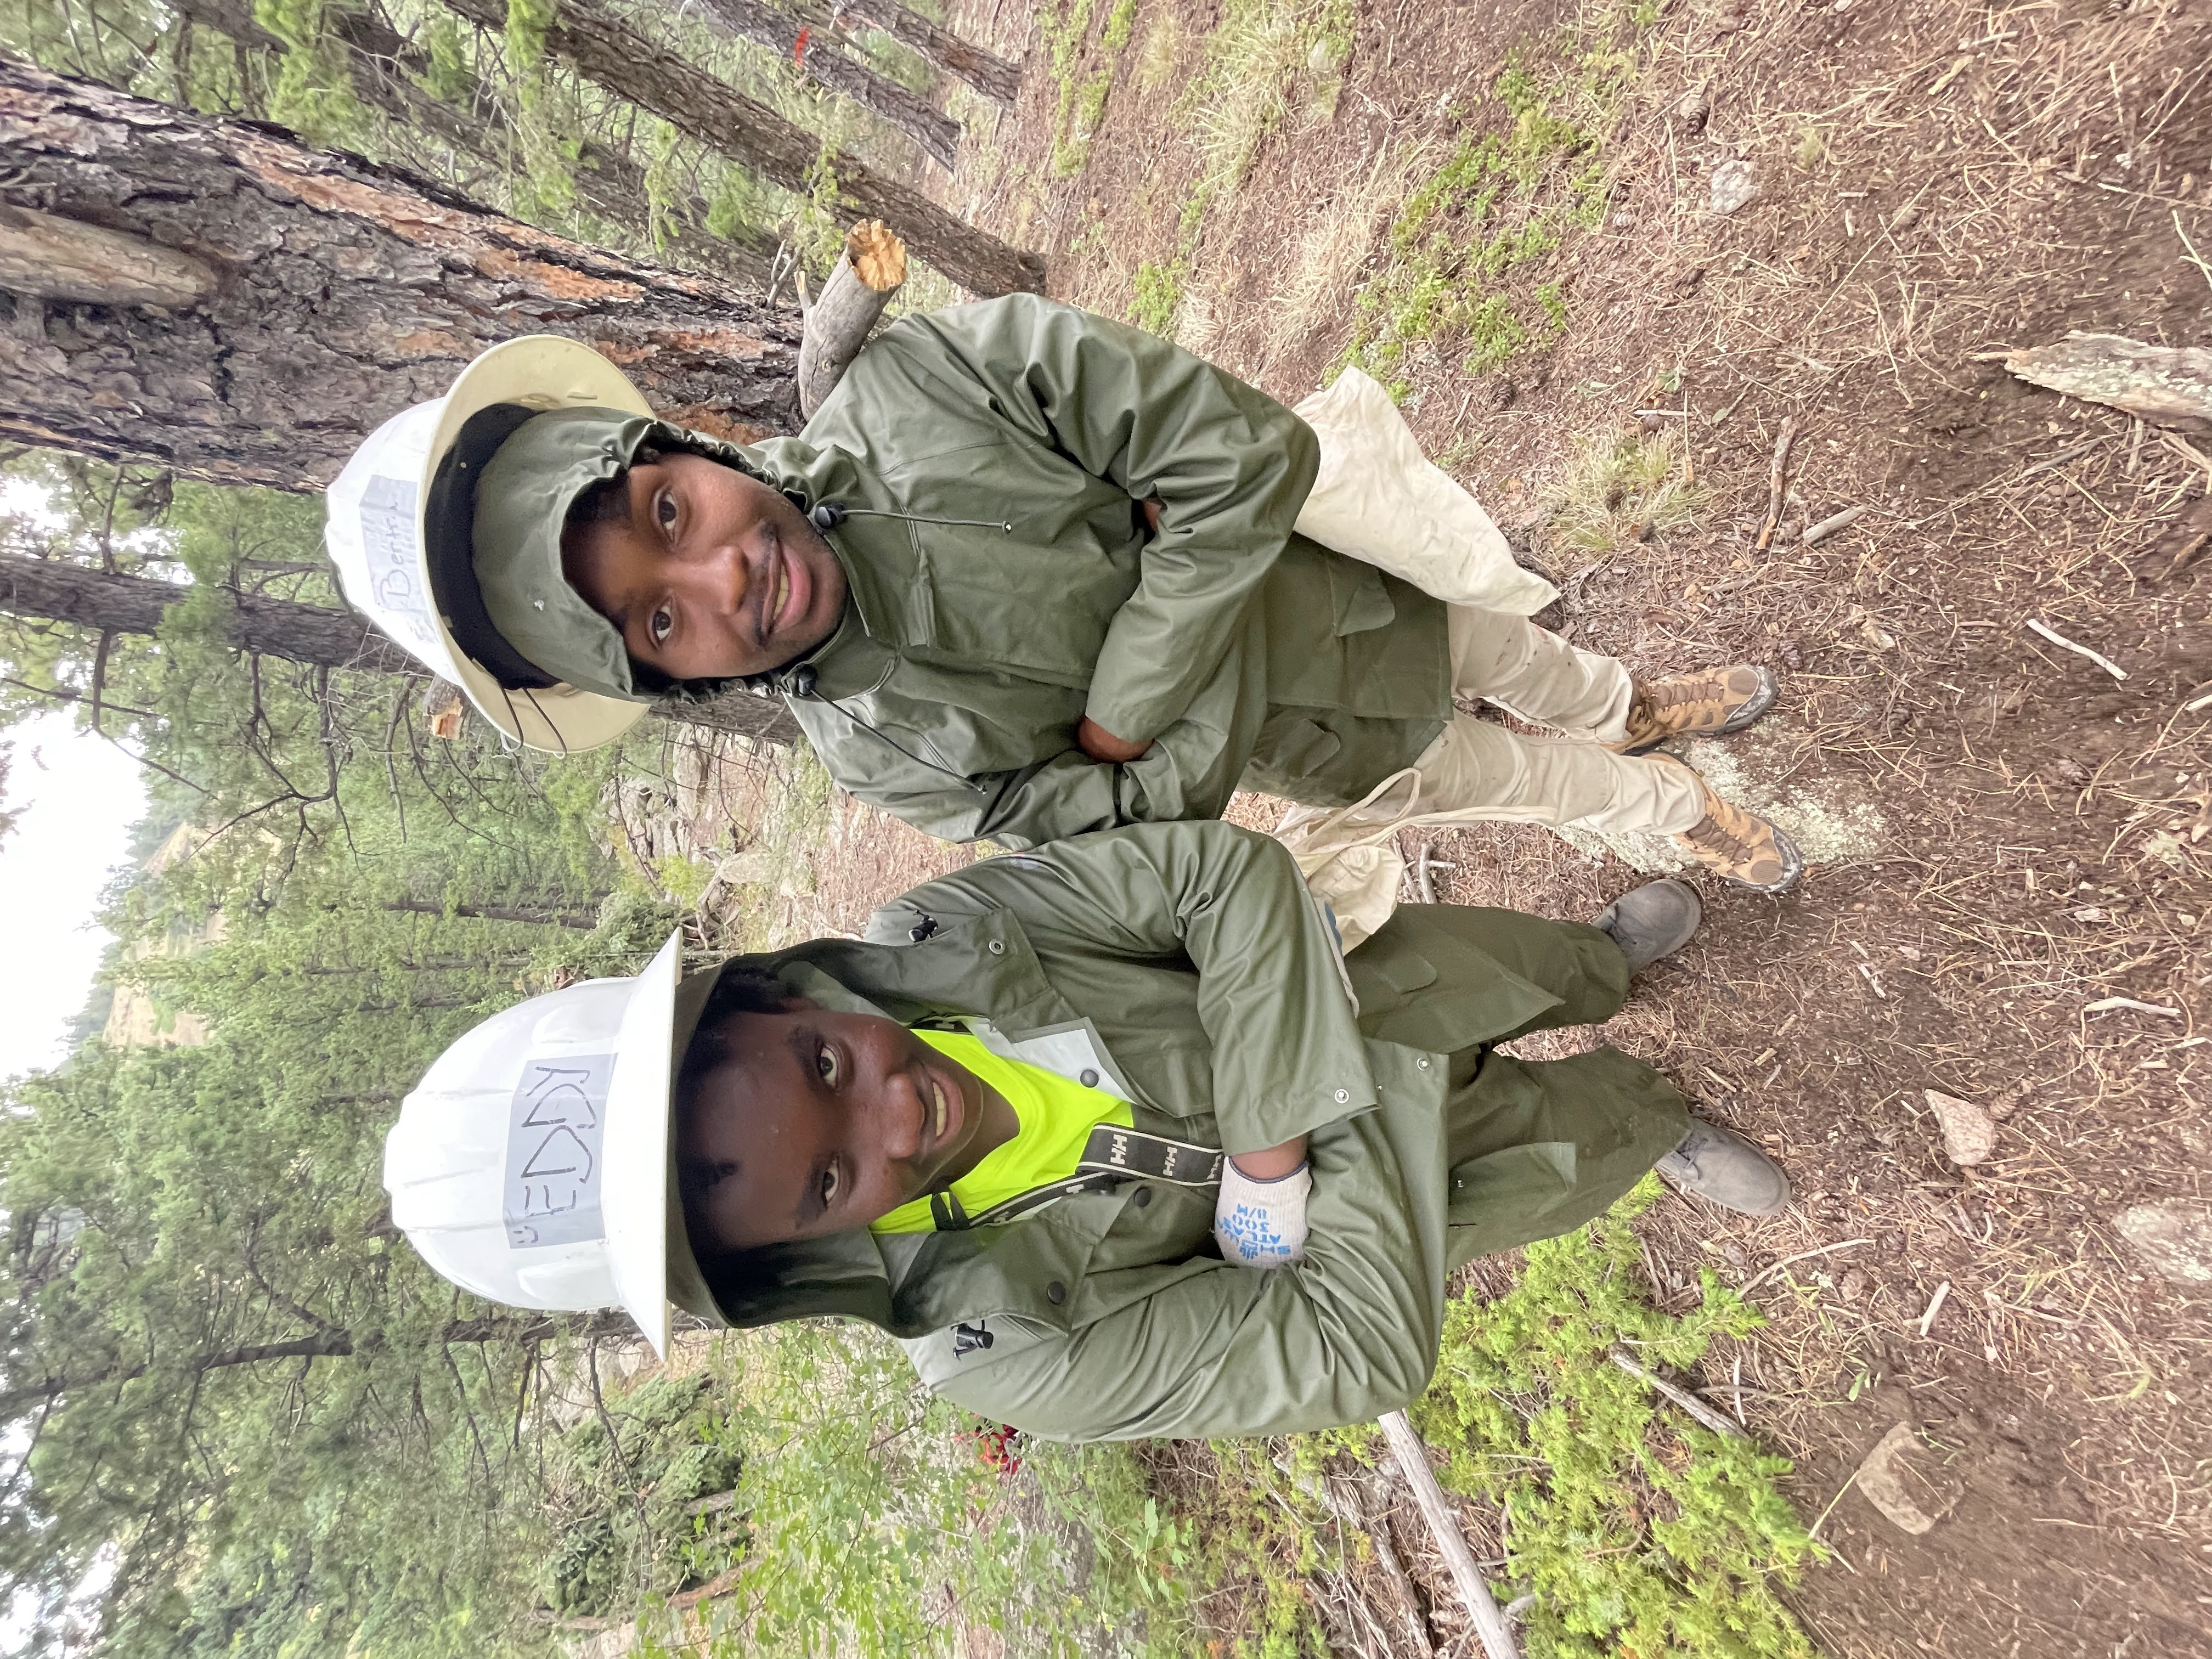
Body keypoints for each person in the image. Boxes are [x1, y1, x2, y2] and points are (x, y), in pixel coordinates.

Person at [326, 300, 1801, 894]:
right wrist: (1170, 551)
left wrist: (1121, 709)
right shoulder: (875, 744)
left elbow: (1250, 455)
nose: (719, 570)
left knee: (1527, 662)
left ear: (677, 450)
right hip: (1333, 751)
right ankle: (1668, 814)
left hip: (1363, 594)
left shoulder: (932, 384)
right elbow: (1121, 826)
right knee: (1504, 778)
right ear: (667, 681)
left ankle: (1632, 708)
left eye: (666, 511)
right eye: (659, 620)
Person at [383, 820, 1788, 1442]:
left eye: (826, 1059)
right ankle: (1655, 1123)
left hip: (1372, 995)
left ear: (777, 994)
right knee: (1569, 1148)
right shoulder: (1001, 1350)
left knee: (1526, 967)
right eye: (828, 1179)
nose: (889, 1114)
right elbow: (1356, 1346)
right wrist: (1321, 1152)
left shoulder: (943, 935)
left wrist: (1271, 1148)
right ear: (784, 1264)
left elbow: (1220, 880)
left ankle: (1605, 960)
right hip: (1418, 1197)